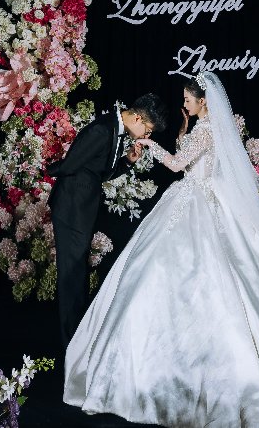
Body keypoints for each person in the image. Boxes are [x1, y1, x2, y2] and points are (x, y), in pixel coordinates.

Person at [63, 71, 259, 426]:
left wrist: (151, 147)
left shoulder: (206, 130)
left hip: (196, 201)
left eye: (188, 100)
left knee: (188, 272)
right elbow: (190, 157)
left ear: (203, 101)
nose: (184, 104)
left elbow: (177, 165)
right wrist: (182, 133)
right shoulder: (202, 128)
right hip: (192, 197)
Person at [49, 92, 169, 350]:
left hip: (80, 211)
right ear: (137, 119)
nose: (146, 136)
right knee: (71, 278)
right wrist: (47, 170)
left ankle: (78, 339)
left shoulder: (114, 129)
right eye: (148, 130)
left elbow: (98, 173)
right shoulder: (102, 130)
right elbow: (70, 165)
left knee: (77, 274)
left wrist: (128, 161)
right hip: (71, 211)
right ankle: (72, 345)